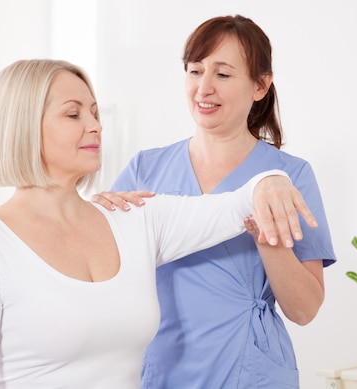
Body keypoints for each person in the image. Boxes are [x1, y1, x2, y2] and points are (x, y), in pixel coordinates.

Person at [0, 59, 316, 388]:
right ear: (23, 127)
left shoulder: (133, 219)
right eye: (73, 114)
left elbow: (235, 204)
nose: (96, 126)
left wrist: (272, 180)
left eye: (94, 113)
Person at [92, 15, 337, 388]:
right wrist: (95, 215)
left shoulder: (289, 176)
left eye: (222, 75)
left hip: (248, 369)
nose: (203, 88)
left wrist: (266, 235)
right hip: (162, 368)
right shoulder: (146, 168)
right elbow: (98, 276)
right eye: (195, 71)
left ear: (260, 85)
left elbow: (304, 310)